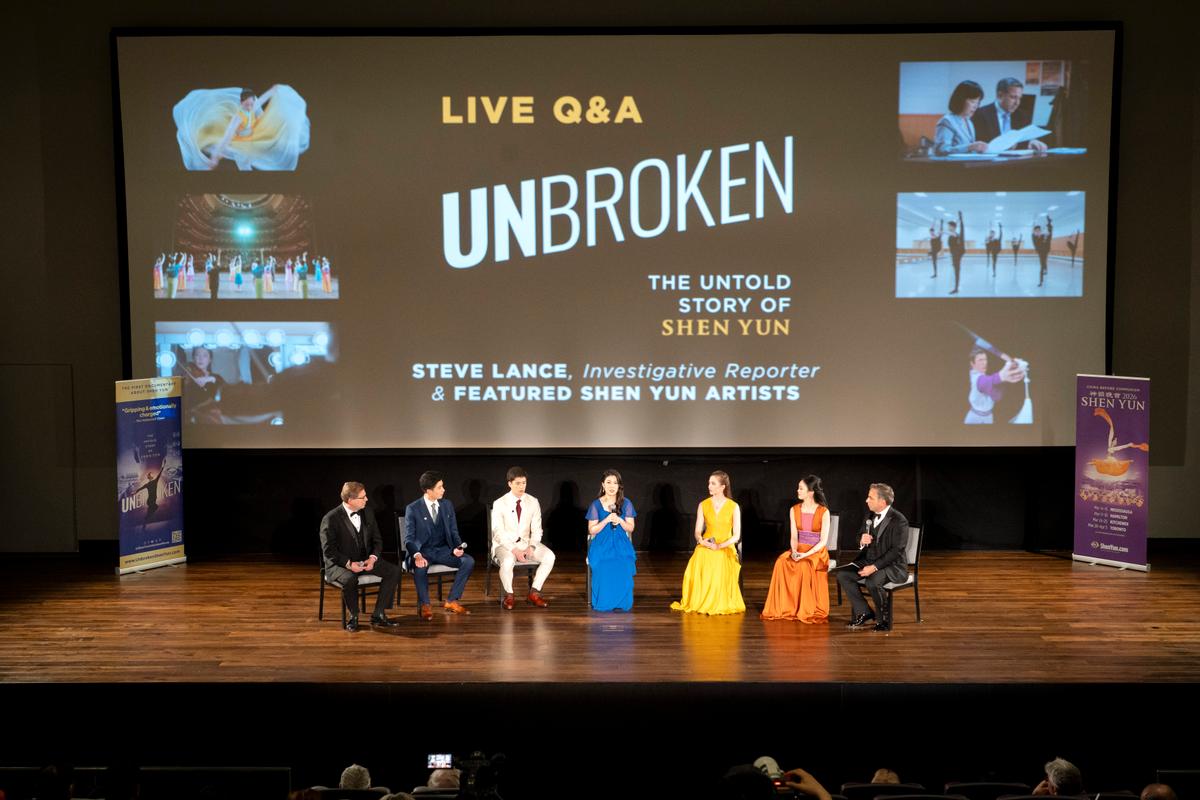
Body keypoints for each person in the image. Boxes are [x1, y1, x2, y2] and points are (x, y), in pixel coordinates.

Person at [319, 482, 401, 632]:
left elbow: (377, 541)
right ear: (350, 500)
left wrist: (373, 558)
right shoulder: (331, 519)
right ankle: (354, 616)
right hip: (339, 564)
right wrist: (349, 564)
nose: (367, 499)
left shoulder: (367, 512)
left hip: (365, 560)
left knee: (394, 571)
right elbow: (329, 551)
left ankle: (379, 613)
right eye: (363, 497)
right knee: (350, 579)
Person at [173, 84, 311, 171]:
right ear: (241, 103)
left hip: (254, 140)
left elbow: (262, 99)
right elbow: (227, 136)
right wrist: (215, 157)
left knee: (274, 146)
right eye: (247, 104)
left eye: (252, 104)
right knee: (245, 166)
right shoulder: (238, 117)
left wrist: (273, 90)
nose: (250, 106)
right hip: (241, 146)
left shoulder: (252, 108)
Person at [835, 483, 909, 632]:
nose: (866, 500)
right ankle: (864, 612)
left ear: (882, 502)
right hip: (868, 559)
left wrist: (874, 567)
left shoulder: (899, 521)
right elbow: (858, 537)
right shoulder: (869, 515)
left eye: (870, 497)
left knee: (873, 581)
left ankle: (884, 620)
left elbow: (896, 551)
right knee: (843, 575)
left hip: (891, 565)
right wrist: (862, 540)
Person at [670, 471, 745, 615]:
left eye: (713, 483)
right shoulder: (703, 504)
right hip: (707, 544)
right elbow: (698, 531)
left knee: (717, 559)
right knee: (700, 556)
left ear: (722, 486)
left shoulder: (733, 506)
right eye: (709, 483)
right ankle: (699, 599)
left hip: (725, 545)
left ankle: (716, 600)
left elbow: (736, 535)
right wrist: (701, 540)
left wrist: (720, 546)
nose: (709, 486)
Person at [405, 470, 474, 620]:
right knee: (420, 567)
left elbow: (454, 531)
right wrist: (416, 555)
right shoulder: (413, 508)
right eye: (439, 487)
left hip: (444, 551)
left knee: (468, 561)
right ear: (429, 490)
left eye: (443, 486)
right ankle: (425, 605)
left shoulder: (447, 505)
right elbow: (409, 538)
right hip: (423, 552)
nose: (443, 490)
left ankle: (451, 600)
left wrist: (457, 547)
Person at [760, 475, 830, 623]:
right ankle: (786, 606)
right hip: (799, 549)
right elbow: (794, 536)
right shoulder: (794, 510)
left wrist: (806, 555)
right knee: (781, 562)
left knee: (804, 566)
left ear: (811, 492)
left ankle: (804, 608)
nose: (797, 491)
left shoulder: (823, 512)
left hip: (816, 552)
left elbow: (823, 541)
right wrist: (795, 551)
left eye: (801, 488)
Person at [490, 466, 554, 609]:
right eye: (518, 483)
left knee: (549, 556)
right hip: (505, 544)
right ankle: (509, 595)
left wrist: (532, 546)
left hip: (526, 543)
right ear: (510, 483)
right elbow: (498, 533)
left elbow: (537, 529)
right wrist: (514, 550)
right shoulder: (500, 503)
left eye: (524, 483)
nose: (521, 486)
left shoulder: (533, 501)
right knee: (507, 560)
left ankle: (534, 592)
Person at [585, 469, 637, 611]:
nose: (612, 485)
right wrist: (606, 520)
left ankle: (621, 601)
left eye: (615, 482)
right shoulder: (595, 505)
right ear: (603, 485)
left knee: (624, 563)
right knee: (603, 564)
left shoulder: (626, 503)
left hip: (621, 543)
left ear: (619, 486)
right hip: (602, 544)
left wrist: (619, 520)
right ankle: (605, 600)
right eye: (608, 482)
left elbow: (630, 528)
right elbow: (592, 530)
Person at [972, 77, 1049, 153]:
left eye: (1019, 98)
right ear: (1000, 95)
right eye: (1013, 97)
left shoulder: (1022, 115)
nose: (1017, 103)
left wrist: (1032, 142)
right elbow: (980, 144)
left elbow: (1024, 140)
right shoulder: (981, 114)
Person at [965, 346, 1026, 424]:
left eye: (985, 359)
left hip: (988, 417)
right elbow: (986, 383)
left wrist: (1010, 361)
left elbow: (997, 395)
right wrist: (1001, 376)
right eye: (980, 360)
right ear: (972, 364)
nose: (985, 363)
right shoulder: (977, 377)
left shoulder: (981, 373)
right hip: (974, 418)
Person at [934, 80, 987, 156]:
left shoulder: (969, 122)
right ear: (961, 100)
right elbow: (941, 150)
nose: (976, 106)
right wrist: (970, 147)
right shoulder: (947, 121)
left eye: (977, 103)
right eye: (972, 101)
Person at [181, 345, 225, 424]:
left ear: (210, 359)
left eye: (205, 355)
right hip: (192, 416)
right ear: (193, 358)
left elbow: (224, 391)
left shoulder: (216, 377)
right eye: (197, 355)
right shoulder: (189, 376)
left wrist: (211, 379)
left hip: (212, 414)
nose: (200, 359)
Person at [947, 211, 966, 295]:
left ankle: (956, 288)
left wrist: (961, 218)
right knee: (956, 270)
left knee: (957, 271)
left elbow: (961, 228)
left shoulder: (955, 234)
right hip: (954, 254)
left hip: (956, 255)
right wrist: (958, 218)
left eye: (949, 226)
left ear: (952, 227)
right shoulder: (953, 234)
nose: (948, 227)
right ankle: (956, 288)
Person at [1032, 216, 1054, 286]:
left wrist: (1049, 223)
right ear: (1035, 232)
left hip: (1045, 250)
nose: (1038, 232)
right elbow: (1034, 236)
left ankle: (1041, 281)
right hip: (1040, 251)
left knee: (1042, 264)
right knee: (1043, 263)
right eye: (1036, 231)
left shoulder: (1043, 235)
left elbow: (1049, 234)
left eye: (1039, 230)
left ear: (1040, 231)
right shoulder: (1034, 236)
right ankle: (1044, 271)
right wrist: (1034, 224)